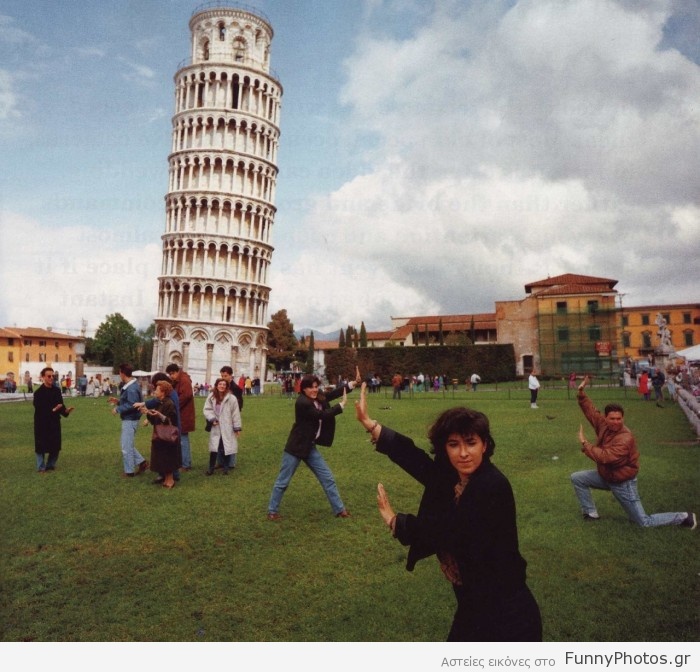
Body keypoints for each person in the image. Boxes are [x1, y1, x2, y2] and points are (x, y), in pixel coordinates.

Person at [354, 383, 542, 641]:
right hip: (474, 605)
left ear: (484, 445)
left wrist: (396, 522)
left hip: (508, 615)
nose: (463, 453)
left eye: (471, 443)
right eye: (453, 444)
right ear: (444, 448)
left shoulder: (491, 485)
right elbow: (416, 460)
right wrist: (370, 424)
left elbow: (447, 531)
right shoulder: (454, 478)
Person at [570, 375, 696, 528]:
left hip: (623, 483)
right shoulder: (603, 425)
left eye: (619, 419)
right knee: (577, 478)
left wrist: (585, 443)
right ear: (606, 418)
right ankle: (590, 513)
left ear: (623, 418)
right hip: (607, 476)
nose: (616, 422)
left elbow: (606, 457)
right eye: (612, 418)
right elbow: (592, 413)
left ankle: (684, 517)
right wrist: (581, 393)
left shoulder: (625, 438)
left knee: (643, 522)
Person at [267, 370, 360, 520]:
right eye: (311, 387)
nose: (315, 390)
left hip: (310, 447)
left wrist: (351, 385)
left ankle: (340, 510)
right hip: (296, 448)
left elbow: (332, 394)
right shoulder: (302, 402)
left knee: (327, 478)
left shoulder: (318, 396)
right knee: (283, 481)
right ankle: (272, 511)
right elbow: (321, 415)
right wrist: (340, 407)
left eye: (316, 386)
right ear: (304, 389)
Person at [109, 363, 149, 478]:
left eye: (119, 372)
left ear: (122, 373)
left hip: (130, 419)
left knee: (126, 447)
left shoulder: (131, 388)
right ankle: (142, 463)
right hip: (131, 419)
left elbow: (132, 404)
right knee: (127, 444)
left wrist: (118, 409)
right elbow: (131, 402)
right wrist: (118, 401)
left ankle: (129, 472)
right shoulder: (133, 385)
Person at [33, 367, 74, 472]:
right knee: (41, 446)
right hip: (42, 423)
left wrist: (66, 411)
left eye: (53, 376)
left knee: (55, 445)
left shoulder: (57, 390)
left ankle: (51, 465)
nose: (51, 378)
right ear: (43, 377)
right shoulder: (38, 393)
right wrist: (53, 409)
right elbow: (40, 409)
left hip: (54, 422)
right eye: (49, 376)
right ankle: (41, 467)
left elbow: (61, 405)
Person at [143, 380, 180, 489]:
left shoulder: (169, 403)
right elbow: (156, 418)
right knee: (162, 457)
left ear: (163, 392)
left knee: (168, 457)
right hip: (160, 435)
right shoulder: (160, 402)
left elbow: (171, 420)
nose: (155, 391)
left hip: (167, 436)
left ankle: (170, 480)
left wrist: (159, 415)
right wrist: (148, 413)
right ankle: (166, 479)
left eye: (157, 390)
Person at [203, 378, 242, 475]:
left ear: (227, 386)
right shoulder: (211, 397)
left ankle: (226, 468)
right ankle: (211, 468)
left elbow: (235, 413)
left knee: (226, 446)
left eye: (224, 384)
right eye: (220, 384)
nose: (222, 386)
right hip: (216, 426)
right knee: (214, 447)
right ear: (216, 385)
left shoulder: (231, 398)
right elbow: (207, 409)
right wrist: (212, 419)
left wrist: (237, 427)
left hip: (227, 425)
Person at [165, 363, 195, 471]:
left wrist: (174, 405)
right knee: (181, 439)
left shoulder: (184, 380)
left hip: (184, 414)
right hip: (181, 413)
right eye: (170, 374)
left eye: (172, 373)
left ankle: (186, 464)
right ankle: (183, 462)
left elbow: (186, 395)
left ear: (177, 371)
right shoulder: (179, 380)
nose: (171, 376)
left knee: (183, 439)